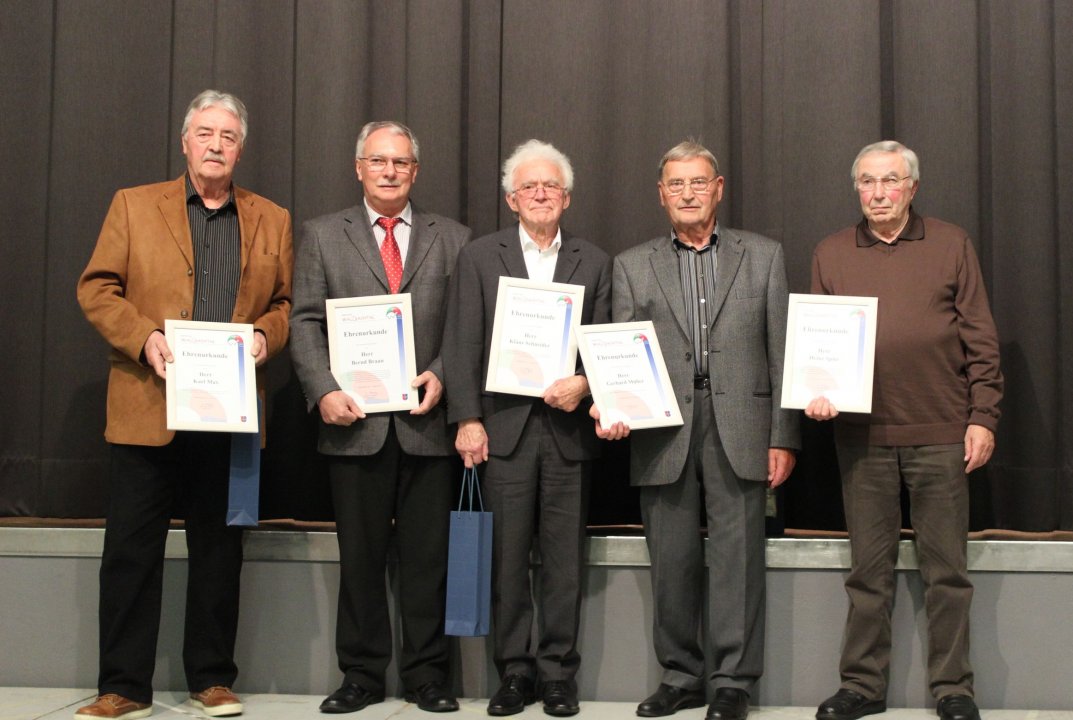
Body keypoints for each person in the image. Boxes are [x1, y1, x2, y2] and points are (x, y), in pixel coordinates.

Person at [75, 90, 294, 720]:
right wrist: (144, 336)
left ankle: (212, 679)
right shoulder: (134, 205)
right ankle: (122, 686)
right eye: (205, 133)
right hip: (149, 407)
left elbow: (283, 306)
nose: (216, 145)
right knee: (130, 554)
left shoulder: (271, 218)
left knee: (220, 552)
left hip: (228, 415)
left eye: (227, 136)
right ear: (185, 142)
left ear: (241, 148)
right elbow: (96, 288)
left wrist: (264, 336)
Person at [592, 140, 799, 720]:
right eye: (676, 185)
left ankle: (733, 681)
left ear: (719, 188)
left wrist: (784, 435)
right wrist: (611, 403)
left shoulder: (764, 256)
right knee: (672, 559)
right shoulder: (632, 264)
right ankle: (681, 675)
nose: (687, 193)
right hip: (663, 430)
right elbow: (619, 353)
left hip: (744, 426)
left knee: (739, 558)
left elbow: (783, 352)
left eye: (698, 183)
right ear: (661, 195)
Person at [808, 141, 1002, 720]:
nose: (878, 192)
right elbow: (817, 344)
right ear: (857, 189)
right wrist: (815, 393)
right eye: (867, 182)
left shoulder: (950, 243)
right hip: (861, 439)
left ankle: (954, 689)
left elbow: (982, 342)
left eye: (890, 181)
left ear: (912, 187)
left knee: (947, 573)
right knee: (868, 575)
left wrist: (983, 416)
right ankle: (862, 687)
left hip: (943, 434)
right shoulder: (832, 252)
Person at [289, 121, 470, 714]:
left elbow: (466, 328)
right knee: (360, 560)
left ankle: (426, 677)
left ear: (415, 171)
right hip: (354, 424)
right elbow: (305, 322)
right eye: (378, 161)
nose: (389, 171)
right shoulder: (320, 235)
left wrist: (443, 373)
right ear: (358, 167)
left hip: (425, 426)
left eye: (400, 163)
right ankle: (362, 675)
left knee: (428, 561)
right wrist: (322, 390)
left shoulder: (455, 237)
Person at [442, 140, 612, 717]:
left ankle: (558, 674)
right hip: (503, 429)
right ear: (512, 198)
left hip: (569, 432)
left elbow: (608, 342)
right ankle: (514, 672)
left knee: (565, 561)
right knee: (507, 558)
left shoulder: (594, 259)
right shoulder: (479, 256)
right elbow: (461, 341)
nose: (541, 195)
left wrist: (586, 383)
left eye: (551, 187)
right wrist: (466, 418)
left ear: (566, 197)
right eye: (529, 187)